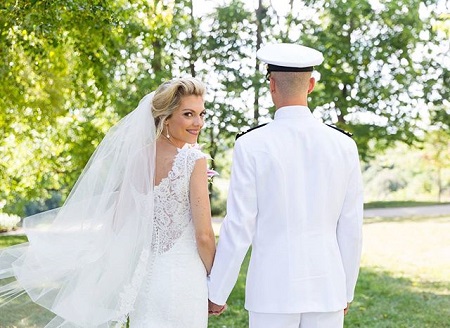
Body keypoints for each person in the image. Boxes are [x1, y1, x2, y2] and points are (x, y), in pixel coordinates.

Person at [0, 77, 216, 327]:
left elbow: (118, 223)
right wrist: (215, 279)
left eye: (201, 114)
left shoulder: (139, 158)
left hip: (146, 282)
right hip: (184, 280)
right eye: (188, 114)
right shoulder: (194, 160)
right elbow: (204, 237)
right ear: (166, 117)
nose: (198, 123)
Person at [207, 43, 364, 328]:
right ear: (311, 85)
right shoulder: (344, 145)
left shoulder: (251, 144)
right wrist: (346, 290)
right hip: (327, 288)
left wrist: (217, 290)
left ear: (272, 85)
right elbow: (351, 227)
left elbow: (240, 224)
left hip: (272, 291)